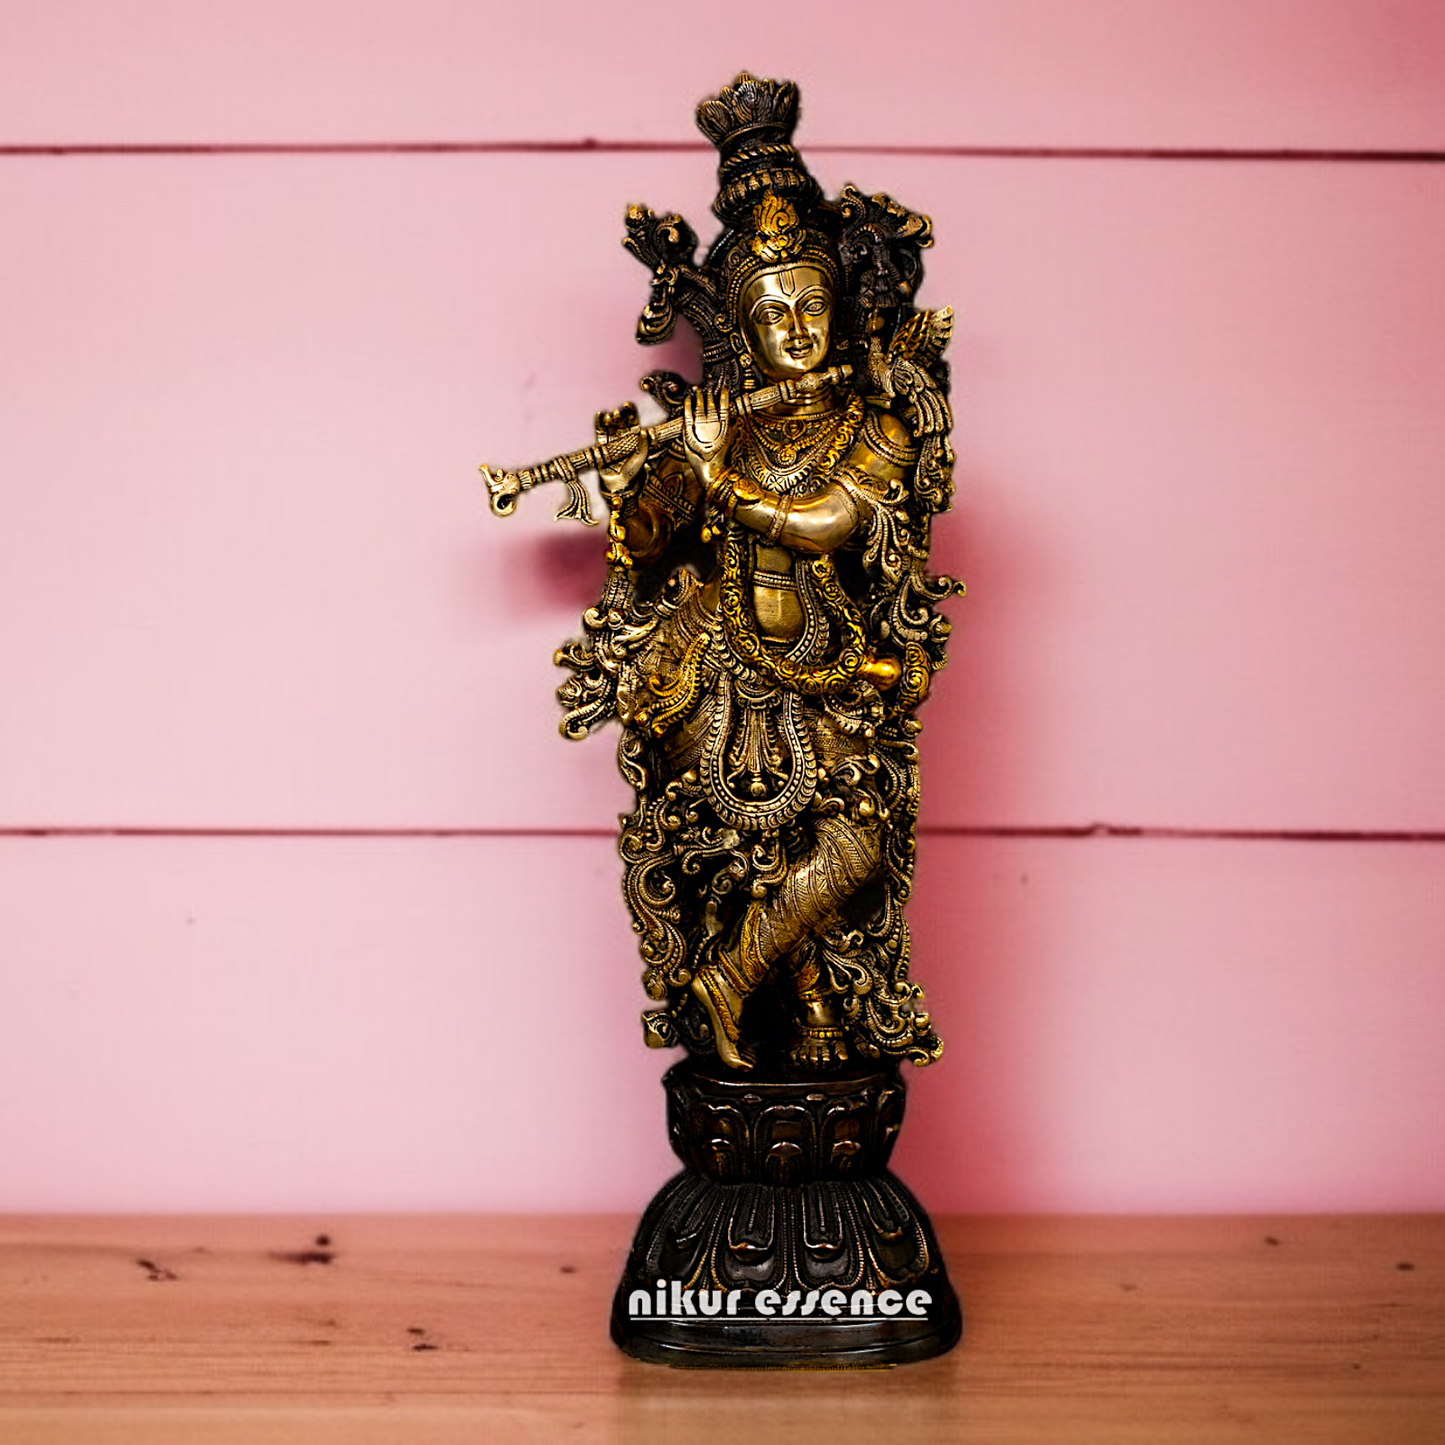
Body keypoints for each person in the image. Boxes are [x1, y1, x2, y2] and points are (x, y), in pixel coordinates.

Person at [556, 74, 958, 1073]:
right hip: (711, 660)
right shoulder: (718, 422)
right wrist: (661, 474)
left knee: (855, 840)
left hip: (821, 658)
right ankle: (779, 998)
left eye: (810, 302)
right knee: (729, 853)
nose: (796, 329)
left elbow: (832, 522)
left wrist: (720, 482)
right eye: (771, 312)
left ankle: (737, 979)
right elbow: (644, 540)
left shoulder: (869, 424)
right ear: (740, 327)